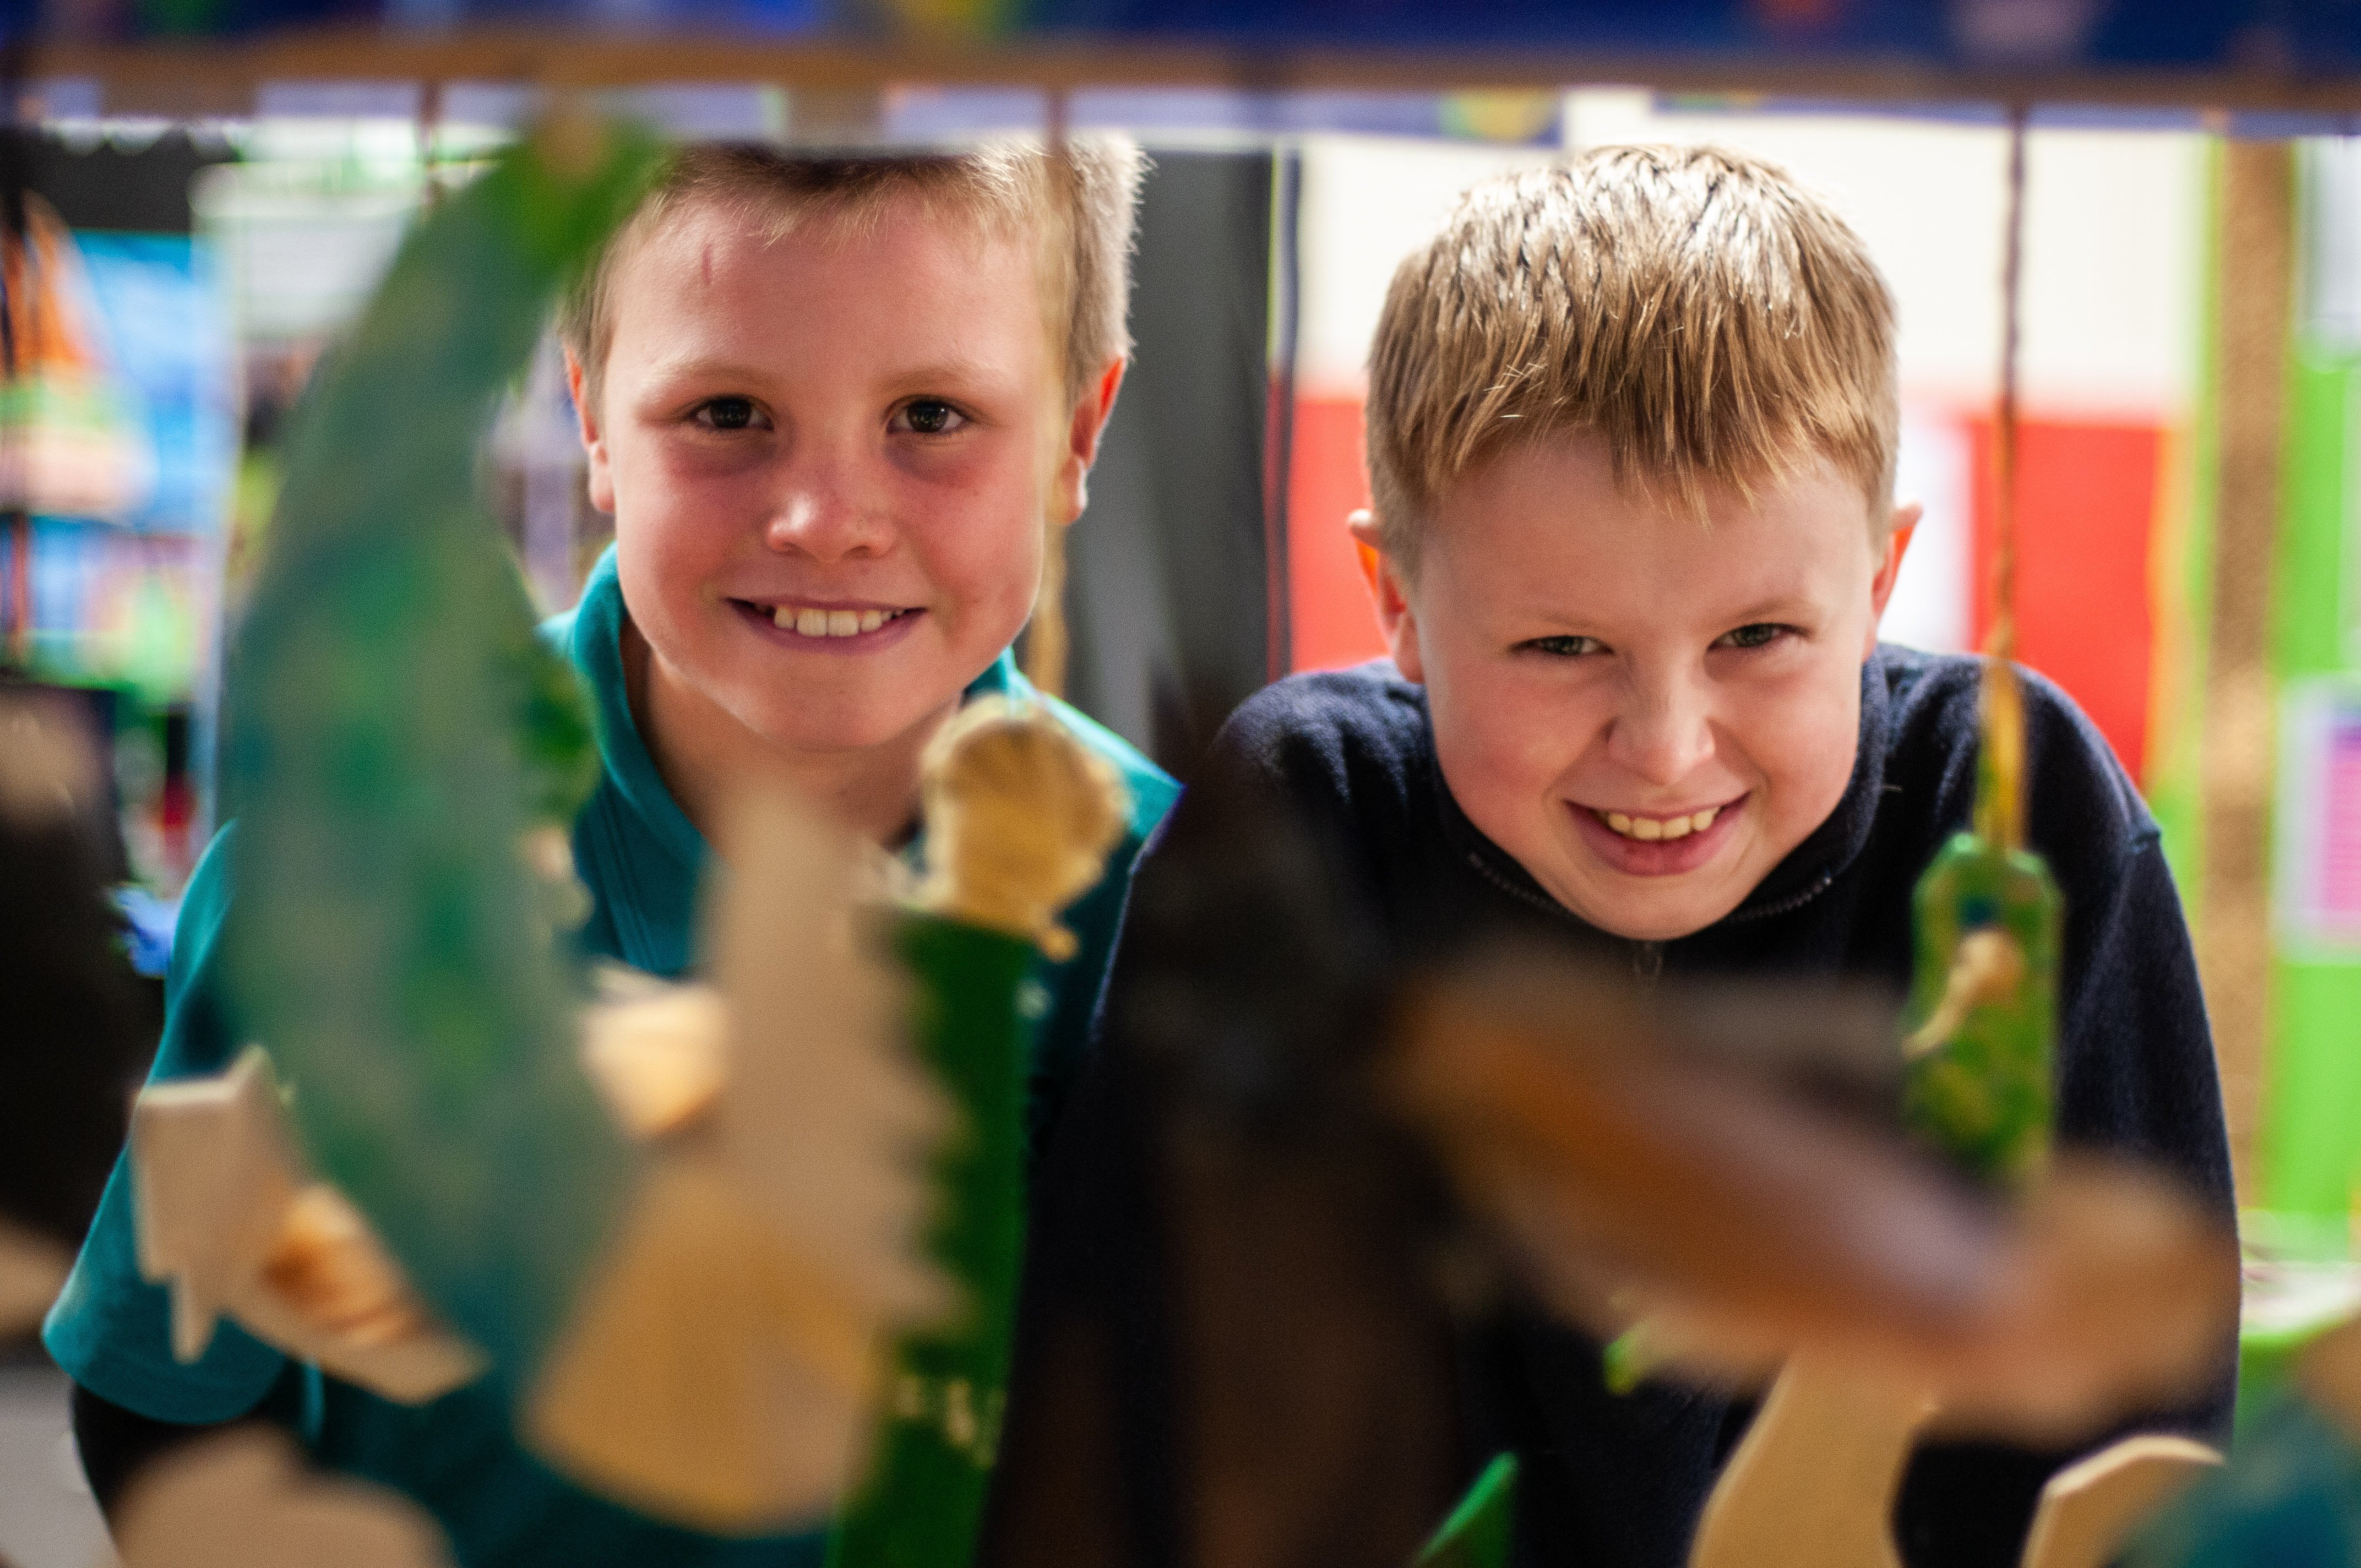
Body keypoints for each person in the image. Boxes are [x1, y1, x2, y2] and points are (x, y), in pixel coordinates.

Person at [995, 145, 2235, 1568]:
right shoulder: (1297, 834)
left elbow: (2141, 1460)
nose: (1665, 748)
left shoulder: (2018, 824)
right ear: (1394, 598)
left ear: (1881, 579)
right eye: (1563, 647)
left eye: (1758, 640)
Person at [46, 135, 1178, 1567]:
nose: (825, 521)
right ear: (591, 416)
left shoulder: (1153, 910)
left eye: (934, 416)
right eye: (725, 410)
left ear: (1079, 434)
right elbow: (164, 1395)